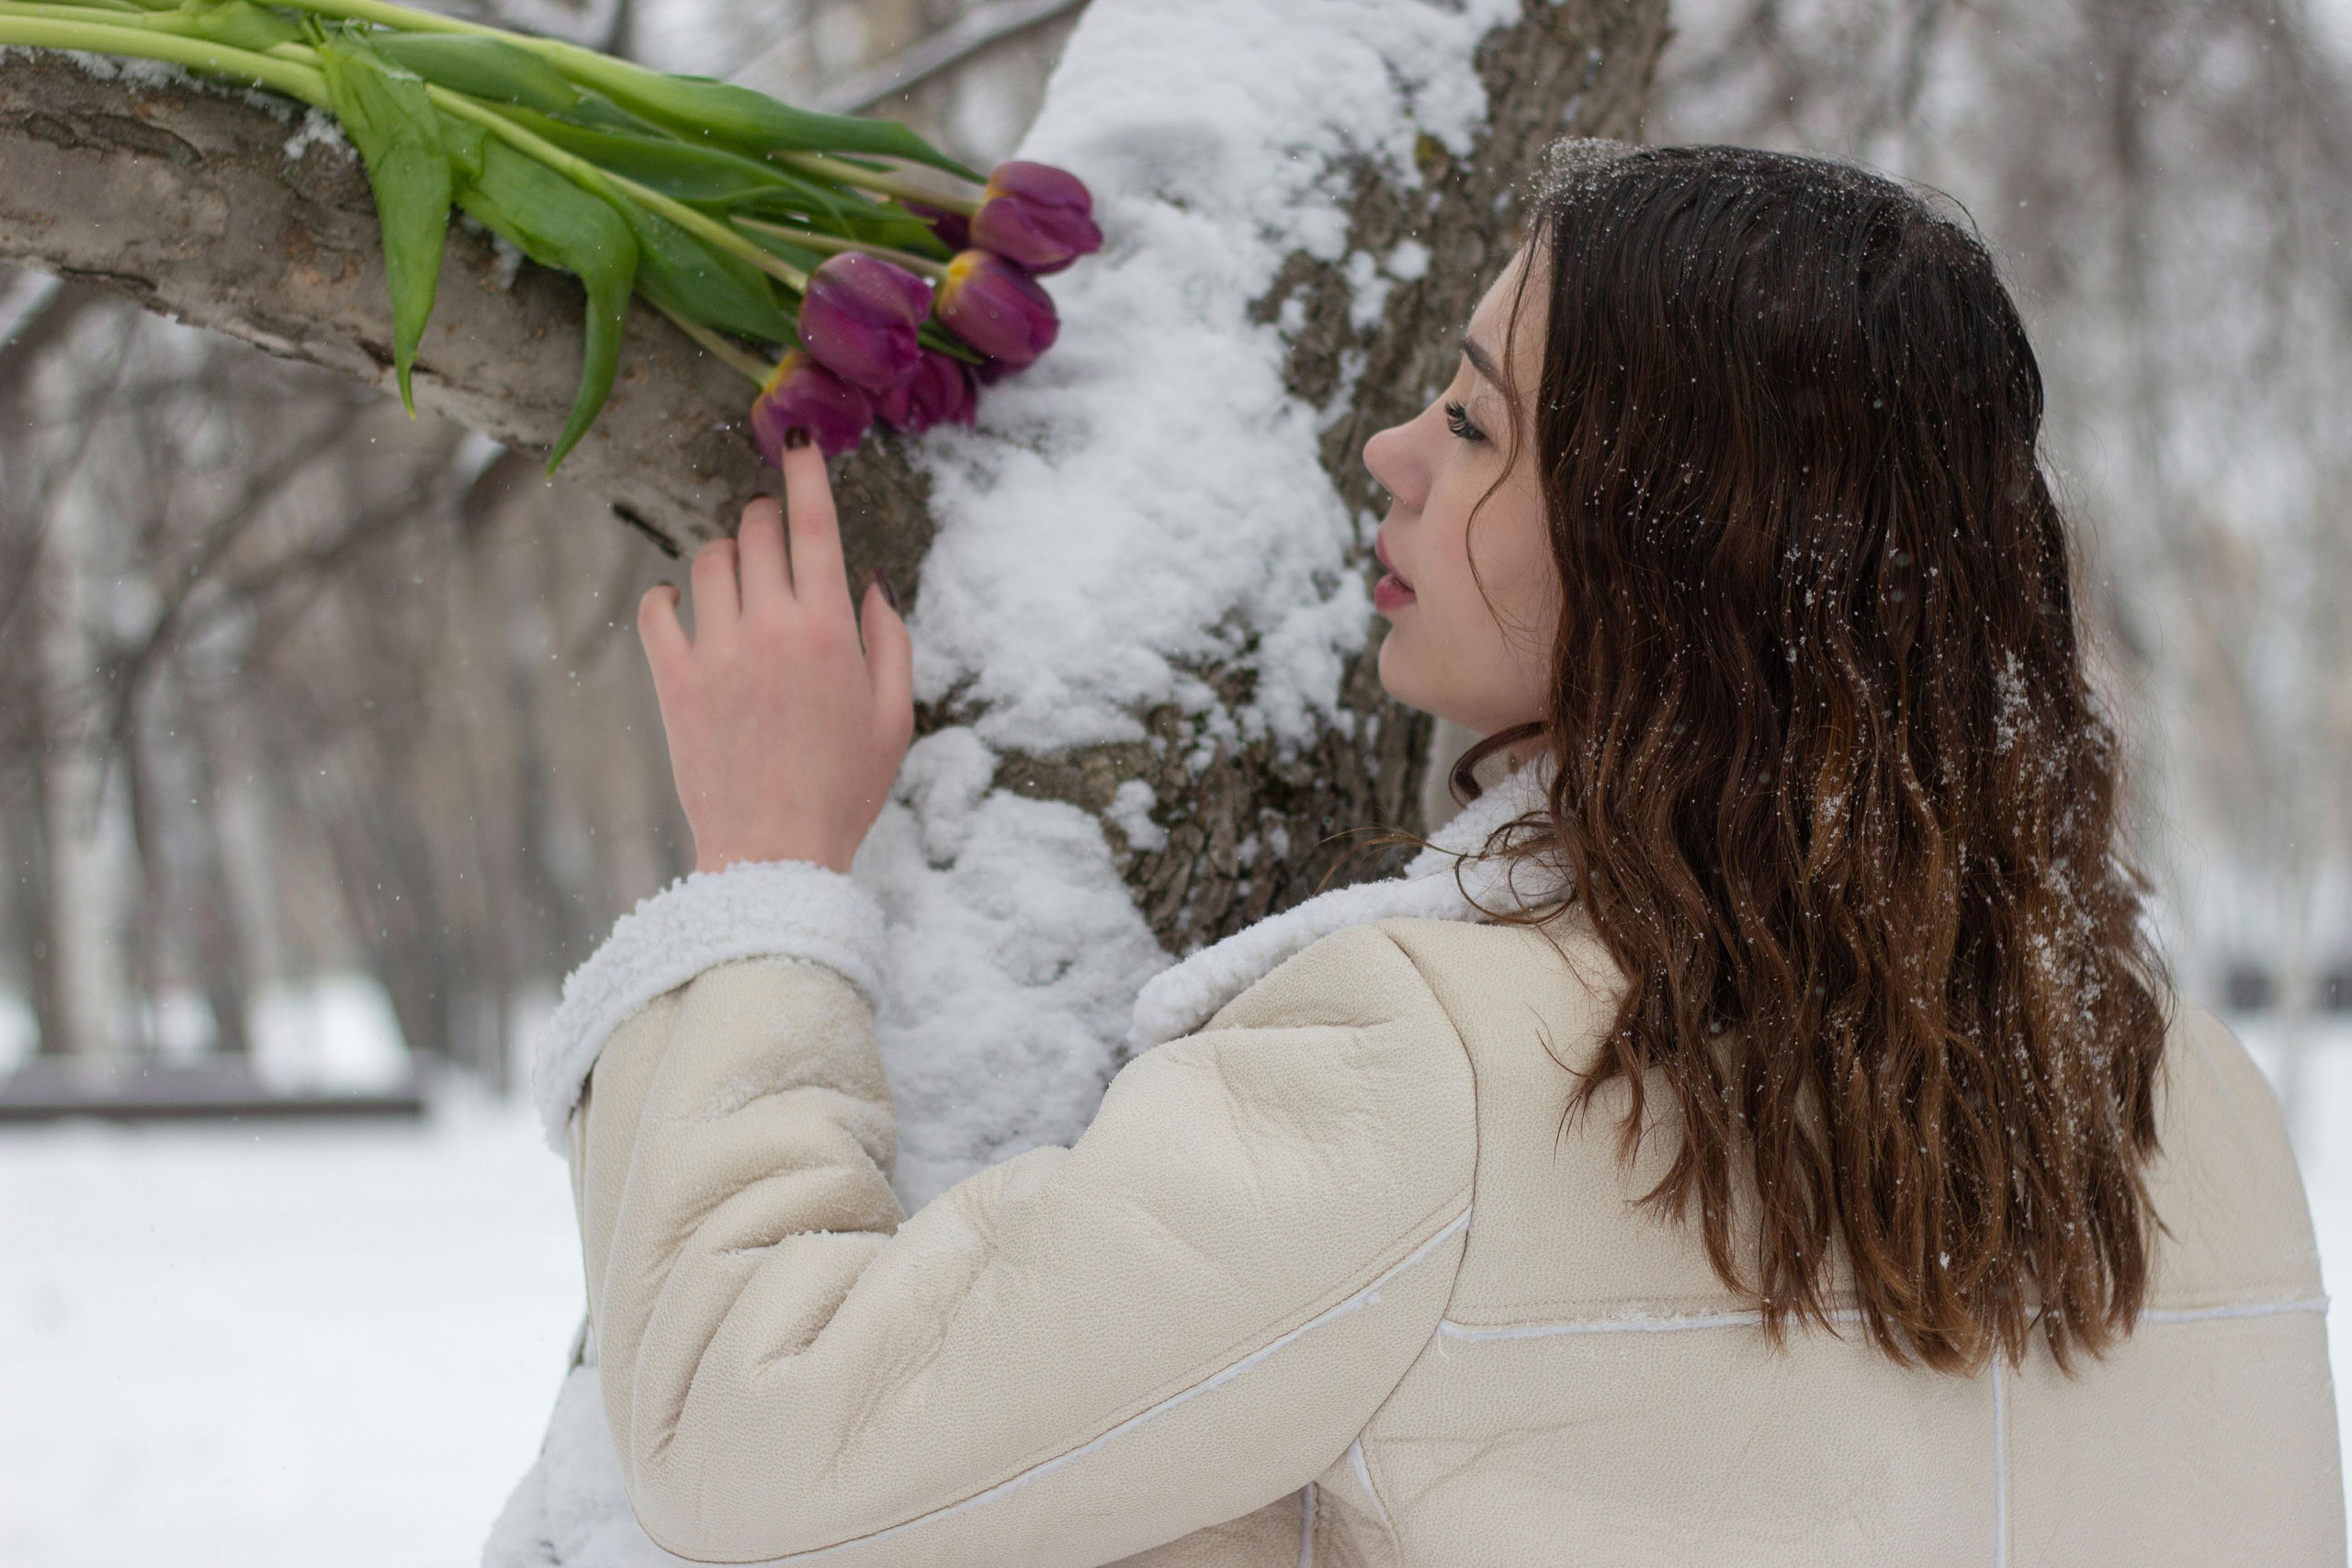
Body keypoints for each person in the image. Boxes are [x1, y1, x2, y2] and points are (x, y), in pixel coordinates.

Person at [535, 143, 2343, 1565]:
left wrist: (765, 883)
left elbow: (760, 1437)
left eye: (1473, 422)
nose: (1387, 451)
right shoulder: (2186, 1093)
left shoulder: (1429, 1073)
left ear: (1662, 547)